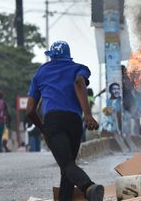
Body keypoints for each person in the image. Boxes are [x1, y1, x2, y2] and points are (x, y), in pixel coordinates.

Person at [26, 41, 103, 201]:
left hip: (53, 121)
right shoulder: (78, 68)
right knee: (67, 168)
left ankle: (89, 187)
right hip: (74, 122)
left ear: (51, 56)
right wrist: (87, 115)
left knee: (67, 165)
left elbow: (30, 110)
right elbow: (79, 83)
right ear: (68, 55)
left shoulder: (41, 72)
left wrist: (43, 128)